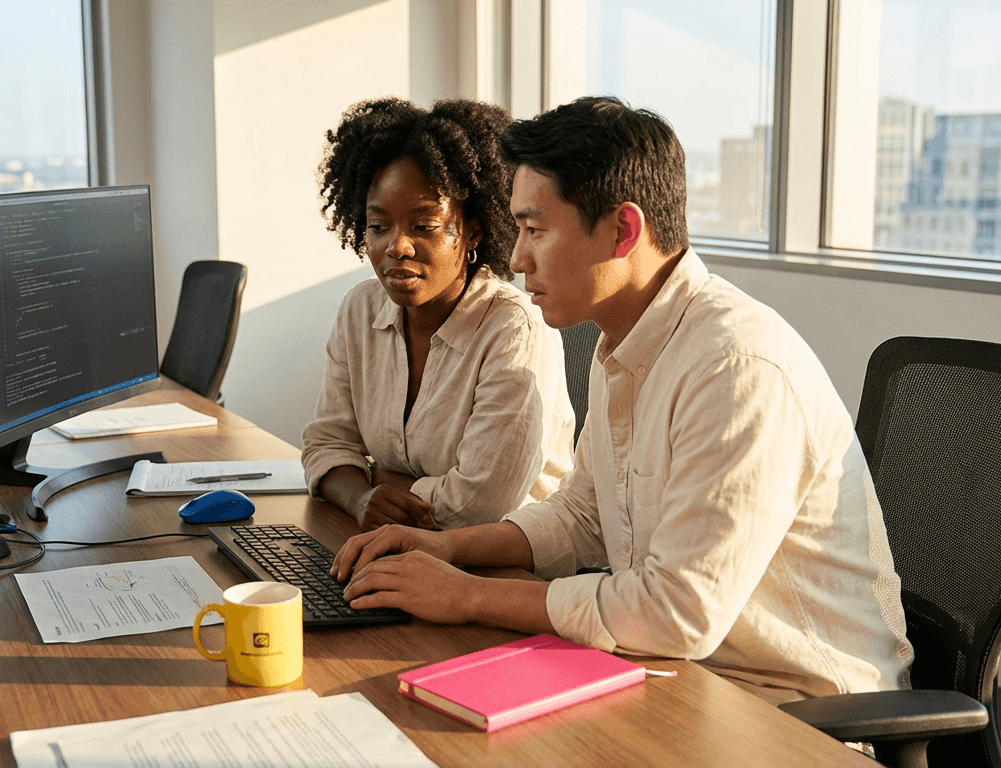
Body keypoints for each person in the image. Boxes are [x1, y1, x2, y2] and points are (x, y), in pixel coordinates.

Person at [332, 96, 914, 705]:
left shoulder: (735, 367)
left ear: (623, 231)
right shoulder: (623, 344)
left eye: (534, 230)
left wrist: (466, 594)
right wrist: (446, 549)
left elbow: (675, 611)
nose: (515, 257)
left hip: (797, 707)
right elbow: (584, 513)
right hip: (682, 673)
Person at [302, 97, 575, 532]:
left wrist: (380, 482)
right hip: (398, 543)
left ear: (472, 232)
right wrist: (360, 498)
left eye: (423, 226)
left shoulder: (515, 329)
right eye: (378, 226)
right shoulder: (360, 310)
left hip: (502, 568)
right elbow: (326, 444)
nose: (397, 246)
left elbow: (479, 502)